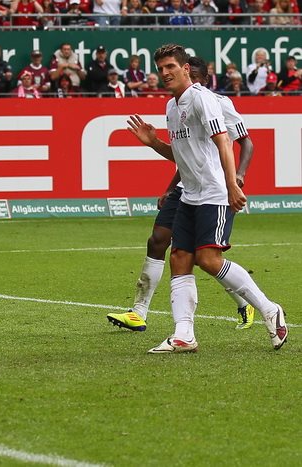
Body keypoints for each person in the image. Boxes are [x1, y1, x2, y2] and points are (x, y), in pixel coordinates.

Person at [123, 44, 287, 353]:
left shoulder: (203, 99)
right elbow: (182, 156)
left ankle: (269, 309)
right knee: (179, 259)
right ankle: (184, 334)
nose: (165, 73)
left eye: (171, 66)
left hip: (214, 192)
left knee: (208, 260)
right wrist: (153, 142)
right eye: (161, 69)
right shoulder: (172, 106)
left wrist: (232, 184)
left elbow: (224, 141)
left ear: (185, 68)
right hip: (189, 195)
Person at [109, 55, 256, 334]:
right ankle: (139, 312)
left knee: (202, 257)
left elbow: (244, 143)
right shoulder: (175, 104)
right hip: (185, 186)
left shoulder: (217, 102)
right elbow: (185, 155)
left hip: (211, 186)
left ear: (199, 78)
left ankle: (244, 302)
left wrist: (237, 178)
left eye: (196, 79)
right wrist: (169, 187)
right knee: (158, 240)